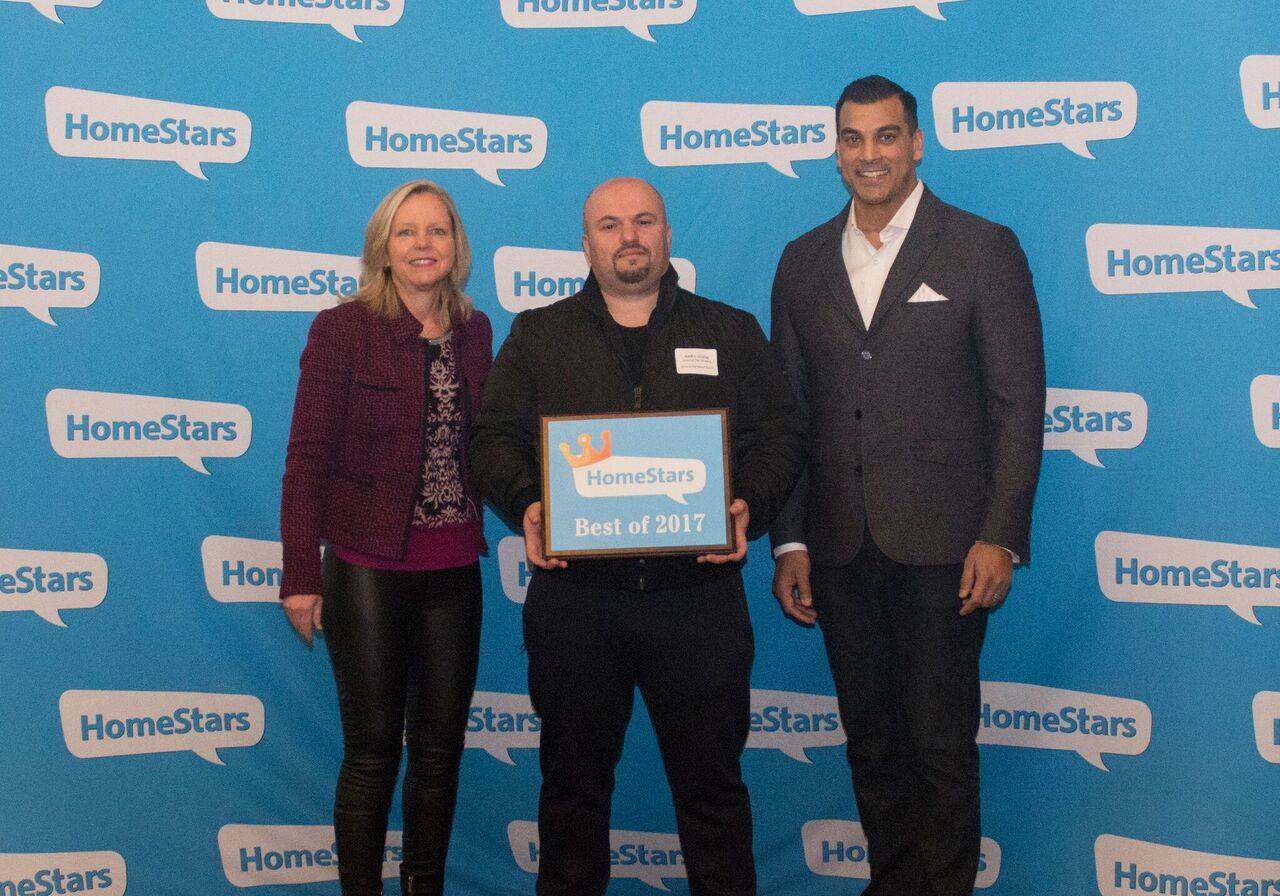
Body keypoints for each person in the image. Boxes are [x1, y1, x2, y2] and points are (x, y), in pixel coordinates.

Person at [471, 177, 803, 896]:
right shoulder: (538, 333)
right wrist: (528, 504)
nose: (630, 236)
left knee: (714, 798)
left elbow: (781, 435)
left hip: (699, 604)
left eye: (644, 221)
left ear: (668, 235)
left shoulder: (731, 331)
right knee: (571, 800)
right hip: (578, 608)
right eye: (611, 224)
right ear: (585, 242)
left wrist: (749, 504)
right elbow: (493, 438)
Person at [768, 76, 1045, 896]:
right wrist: (789, 538)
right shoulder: (801, 259)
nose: (870, 154)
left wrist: (1001, 532)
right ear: (836, 149)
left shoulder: (981, 247)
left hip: (947, 550)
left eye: (886, 137)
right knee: (872, 745)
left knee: (939, 748)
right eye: (853, 139)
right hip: (840, 548)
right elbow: (789, 412)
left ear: (917, 143)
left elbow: (1017, 402)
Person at [279, 180, 492, 896]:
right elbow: (307, 457)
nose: (424, 244)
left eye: (437, 231)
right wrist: (299, 575)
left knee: (439, 752)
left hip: (456, 566)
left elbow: (492, 446)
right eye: (407, 232)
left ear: (457, 246)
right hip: (366, 567)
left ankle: (423, 887)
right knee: (372, 753)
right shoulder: (342, 329)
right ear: (383, 248)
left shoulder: (478, 331)